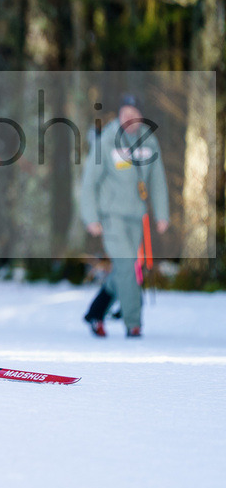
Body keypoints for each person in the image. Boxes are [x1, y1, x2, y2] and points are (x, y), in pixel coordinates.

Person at [80, 93, 169, 337]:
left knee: (124, 269)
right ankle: (134, 324)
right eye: (124, 113)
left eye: (134, 113)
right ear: (119, 115)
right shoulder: (107, 140)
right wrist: (91, 218)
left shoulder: (149, 141)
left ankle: (96, 313)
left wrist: (162, 214)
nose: (129, 117)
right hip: (112, 217)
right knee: (128, 267)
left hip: (136, 217)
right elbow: (89, 183)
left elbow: (157, 180)